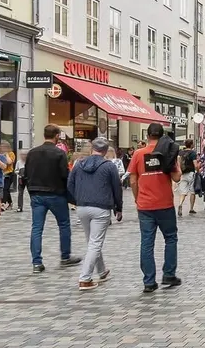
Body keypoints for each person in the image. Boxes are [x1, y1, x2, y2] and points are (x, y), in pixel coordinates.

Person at [129, 122, 183, 293]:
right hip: (164, 203)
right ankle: (168, 274)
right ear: (162, 136)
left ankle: (149, 281)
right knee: (170, 238)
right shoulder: (167, 153)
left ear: (147, 135)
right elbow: (176, 178)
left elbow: (132, 180)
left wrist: (138, 199)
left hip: (145, 205)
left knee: (147, 243)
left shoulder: (138, 154)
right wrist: (178, 163)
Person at [68, 138, 123, 291]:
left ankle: (101, 270)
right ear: (105, 151)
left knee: (92, 241)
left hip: (82, 207)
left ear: (92, 149)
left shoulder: (79, 164)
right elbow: (116, 188)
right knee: (95, 243)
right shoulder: (109, 166)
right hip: (101, 207)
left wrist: (76, 200)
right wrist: (118, 208)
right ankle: (85, 279)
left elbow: (69, 184)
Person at [26, 124, 81, 274]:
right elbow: (65, 176)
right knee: (64, 225)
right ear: (56, 136)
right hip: (56, 194)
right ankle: (65, 256)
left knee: (37, 228)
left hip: (37, 194)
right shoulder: (59, 154)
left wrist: (31, 190)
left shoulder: (32, 153)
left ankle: (37, 262)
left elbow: (26, 174)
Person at [176, 139, 198, 217]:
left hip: (183, 173)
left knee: (183, 192)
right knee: (192, 191)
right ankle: (191, 208)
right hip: (191, 173)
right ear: (191, 145)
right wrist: (197, 170)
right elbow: (195, 165)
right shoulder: (193, 153)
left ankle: (180, 204)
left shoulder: (181, 152)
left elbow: (178, 163)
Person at [0, 142, 17, 212]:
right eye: (2, 147)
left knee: (5, 189)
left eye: (4, 147)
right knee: (5, 190)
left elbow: (9, 162)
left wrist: (6, 154)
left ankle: (3, 204)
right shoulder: (0, 155)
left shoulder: (11, 154)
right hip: (2, 174)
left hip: (9, 174)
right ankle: (10, 203)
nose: (2, 148)